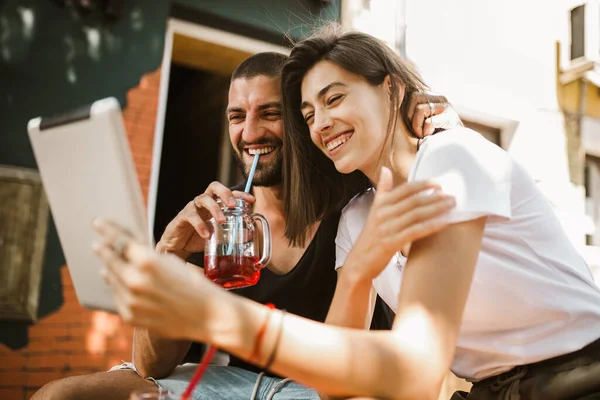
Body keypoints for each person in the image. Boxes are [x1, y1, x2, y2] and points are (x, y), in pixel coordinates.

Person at [90, 25, 600, 400]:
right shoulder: (357, 217)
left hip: (578, 376)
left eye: (335, 99)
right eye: (308, 114)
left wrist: (221, 317)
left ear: (392, 89)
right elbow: (335, 385)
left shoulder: (452, 157)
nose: (321, 124)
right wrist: (355, 274)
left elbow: (417, 371)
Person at [32, 51, 458, 400]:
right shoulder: (217, 220)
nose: (250, 132)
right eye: (237, 116)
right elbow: (151, 366)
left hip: (329, 388)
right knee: (60, 396)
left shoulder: (353, 196)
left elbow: (397, 154)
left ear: (300, 120)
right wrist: (168, 256)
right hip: (230, 385)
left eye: (269, 113)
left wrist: (420, 116)